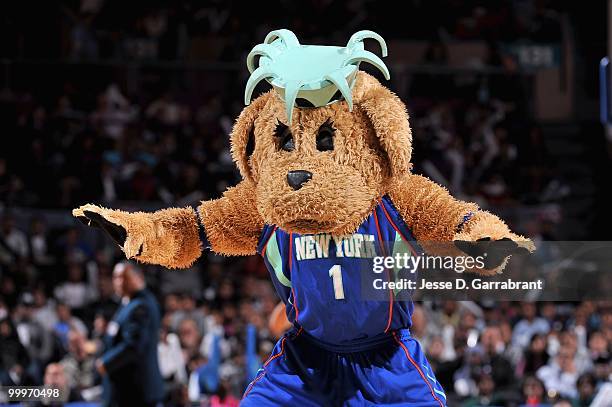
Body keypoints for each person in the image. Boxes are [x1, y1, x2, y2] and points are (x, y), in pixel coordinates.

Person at [97, 262, 164, 407]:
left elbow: (133, 346)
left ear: (139, 277)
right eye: (116, 278)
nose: (120, 282)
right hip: (127, 389)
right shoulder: (128, 302)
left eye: (124, 277)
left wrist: (106, 362)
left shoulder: (141, 305)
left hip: (136, 390)